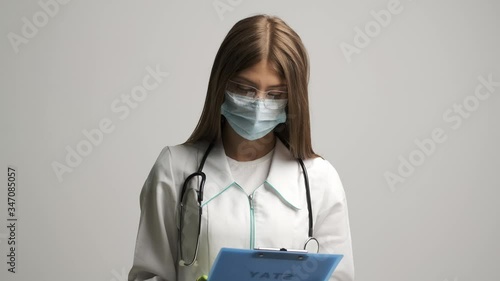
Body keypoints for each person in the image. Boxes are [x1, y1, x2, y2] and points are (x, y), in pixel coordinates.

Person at [128, 14, 355, 281]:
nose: (259, 104)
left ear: (293, 99)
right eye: (245, 89)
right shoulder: (175, 168)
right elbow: (149, 275)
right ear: (221, 85)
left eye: (275, 94)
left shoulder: (319, 179)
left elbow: (340, 278)